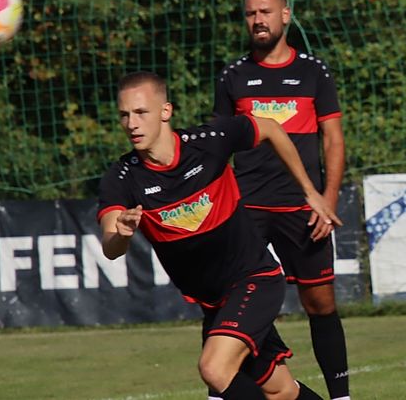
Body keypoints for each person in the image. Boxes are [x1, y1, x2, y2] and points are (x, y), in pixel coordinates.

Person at [98, 71, 335, 400]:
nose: (132, 124)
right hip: (216, 303)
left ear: (166, 111)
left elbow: (270, 128)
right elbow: (110, 246)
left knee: (214, 369)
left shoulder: (209, 141)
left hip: (255, 280)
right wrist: (122, 234)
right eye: (124, 115)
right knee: (280, 390)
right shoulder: (122, 177)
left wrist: (309, 191)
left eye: (141, 112)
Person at [213, 0, 349, 400]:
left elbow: (333, 139)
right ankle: (232, 389)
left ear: (285, 16)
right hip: (247, 209)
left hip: (302, 210)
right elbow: (219, 146)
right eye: (251, 13)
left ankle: (341, 397)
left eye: (266, 12)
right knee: (234, 304)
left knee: (321, 304)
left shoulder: (313, 72)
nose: (258, 20)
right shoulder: (233, 76)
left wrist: (327, 199)